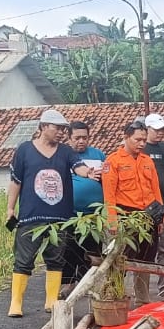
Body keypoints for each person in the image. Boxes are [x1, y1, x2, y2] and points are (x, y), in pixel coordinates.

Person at [6, 108, 83, 317]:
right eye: (57, 128)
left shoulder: (66, 151)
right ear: (42, 127)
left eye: (63, 129)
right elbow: (16, 181)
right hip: (31, 216)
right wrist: (10, 208)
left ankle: (51, 301)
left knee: (56, 259)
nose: (61, 132)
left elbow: (79, 167)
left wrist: (90, 172)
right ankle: (16, 302)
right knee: (23, 260)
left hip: (60, 218)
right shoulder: (24, 150)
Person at [102, 119, 164, 263]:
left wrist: (161, 218)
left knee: (146, 261)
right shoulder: (113, 161)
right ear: (125, 137)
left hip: (150, 216)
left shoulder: (147, 161)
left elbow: (156, 190)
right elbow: (109, 194)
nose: (142, 144)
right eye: (137, 139)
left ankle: (142, 287)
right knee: (120, 260)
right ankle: (116, 286)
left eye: (144, 140)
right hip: (126, 217)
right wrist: (112, 221)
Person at [62, 120, 107, 292]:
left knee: (93, 249)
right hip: (70, 213)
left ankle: (87, 284)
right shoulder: (62, 155)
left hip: (94, 213)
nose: (81, 141)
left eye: (85, 138)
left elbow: (108, 178)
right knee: (68, 248)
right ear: (69, 138)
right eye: (77, 138)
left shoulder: (98, 155)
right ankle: (68, 283)